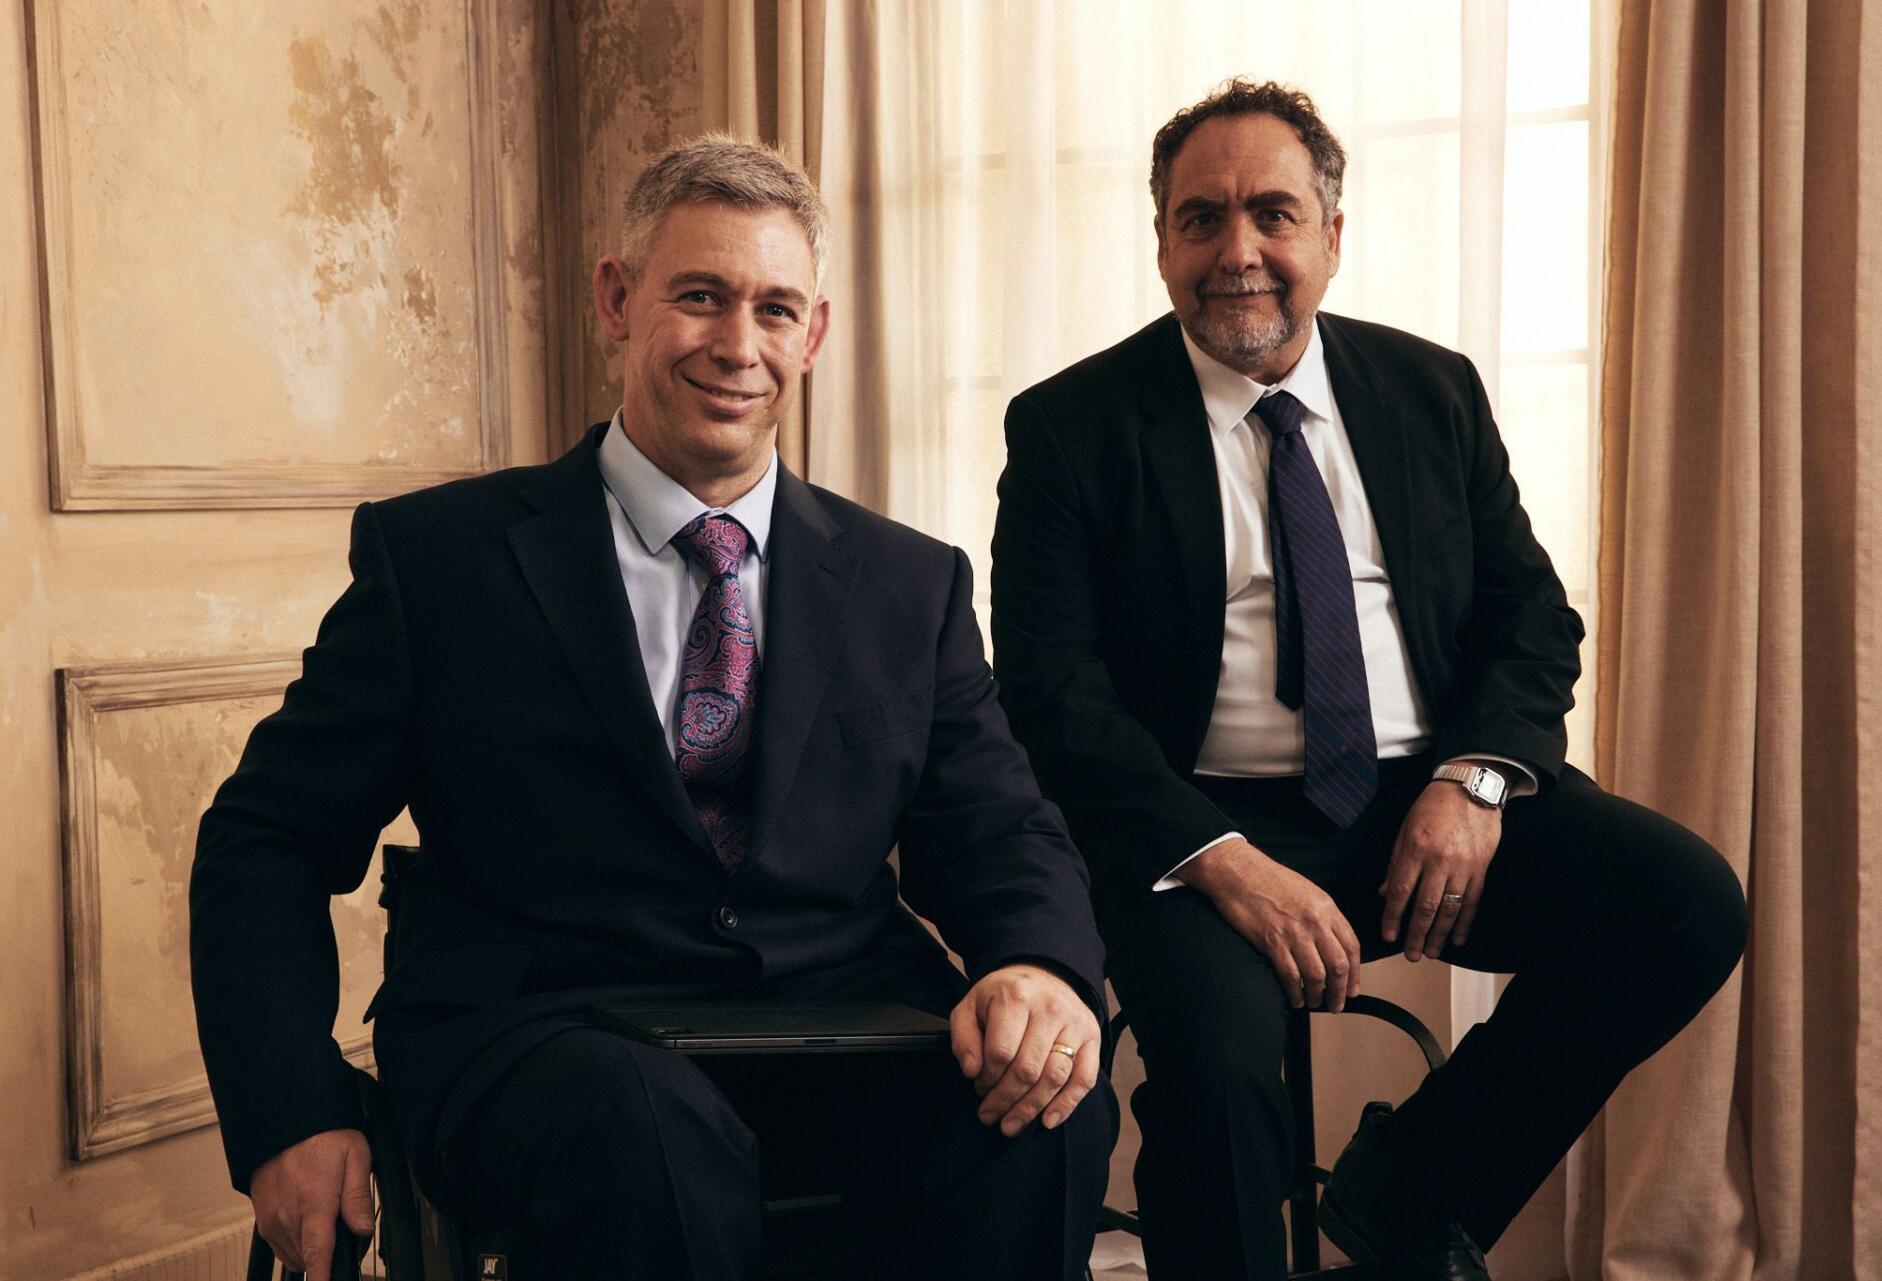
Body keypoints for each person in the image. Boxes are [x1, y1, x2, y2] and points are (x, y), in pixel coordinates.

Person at [191, 134, 1114, 1281]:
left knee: (1048, 1109)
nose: (739, 344)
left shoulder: (909, 582)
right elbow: (266, 840)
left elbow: (998, 828)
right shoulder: (439, 563)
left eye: (777, 309)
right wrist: (289, 1108)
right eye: (700, 296)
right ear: (618, 300)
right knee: (650, 1134)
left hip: (829, 1024)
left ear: (813, 335)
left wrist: (1039, 967)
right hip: (543, 1037)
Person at [990, 79, 1747, 1281]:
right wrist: (1223, 860)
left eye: (1273, 215)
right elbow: (1047, 690)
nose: (1239, 252)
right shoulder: (1072, 424)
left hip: (1421, 797)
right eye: (1202, 219)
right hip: (1194, 828)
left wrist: (1477, 783)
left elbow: (1531, 617)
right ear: (1161, 242)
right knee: (1223, 1082)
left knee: (1683, 903)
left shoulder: (1430, 389)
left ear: (1332, 238)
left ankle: (1413, 1192)